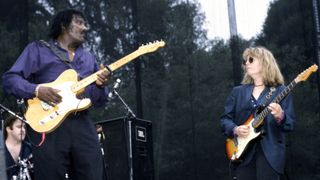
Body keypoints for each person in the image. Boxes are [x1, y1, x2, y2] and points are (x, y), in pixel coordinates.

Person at [2, 9, 110, 180]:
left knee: (93, 173)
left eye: (85, 24)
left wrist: (100, 86)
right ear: (64, 26)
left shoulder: (89, 58)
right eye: (79, 23)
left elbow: (99, 101)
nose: (85, 28)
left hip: (82, 122)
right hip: (49, 125)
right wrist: (36, 90)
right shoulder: (38, 49)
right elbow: (10, 79)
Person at [220, 46, 295, 180]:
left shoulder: (280, 91)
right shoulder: (238, 92)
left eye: (251, 60)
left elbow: (289, 124)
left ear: (265, 62)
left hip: (270, 154)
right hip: (243, 154)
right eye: (245, 61)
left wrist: (280, 116)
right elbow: (225, 119)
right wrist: (235, 129)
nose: (246, 63)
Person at [4, 114, 33, 180]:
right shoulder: (1, 149)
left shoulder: (30, 149)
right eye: (19, 127)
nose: (23, 130)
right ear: (8, 129)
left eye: (24, 127)